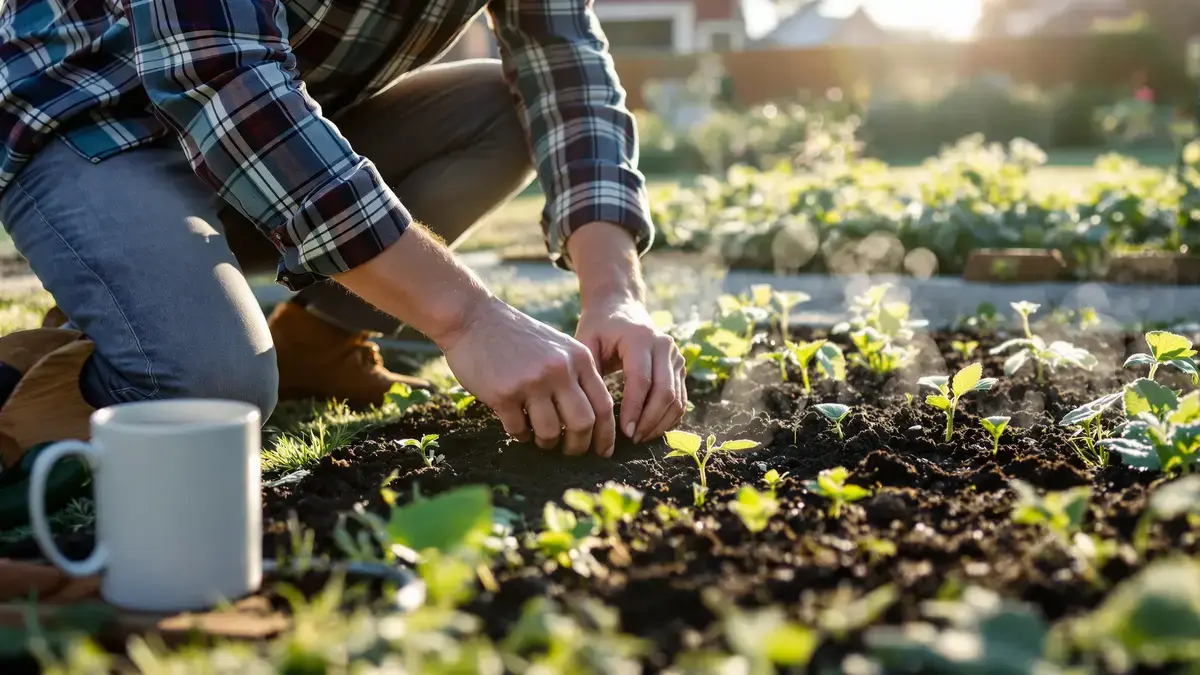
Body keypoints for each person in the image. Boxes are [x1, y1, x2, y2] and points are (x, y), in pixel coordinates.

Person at [0, 0, 688, 464]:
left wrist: (615, 294)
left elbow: (564, 66)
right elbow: (219, 73)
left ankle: (315, 345)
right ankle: (42, 374)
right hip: (95, 129)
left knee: (500, 113)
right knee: (208, 394)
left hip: (271, 146)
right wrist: (469, 319)